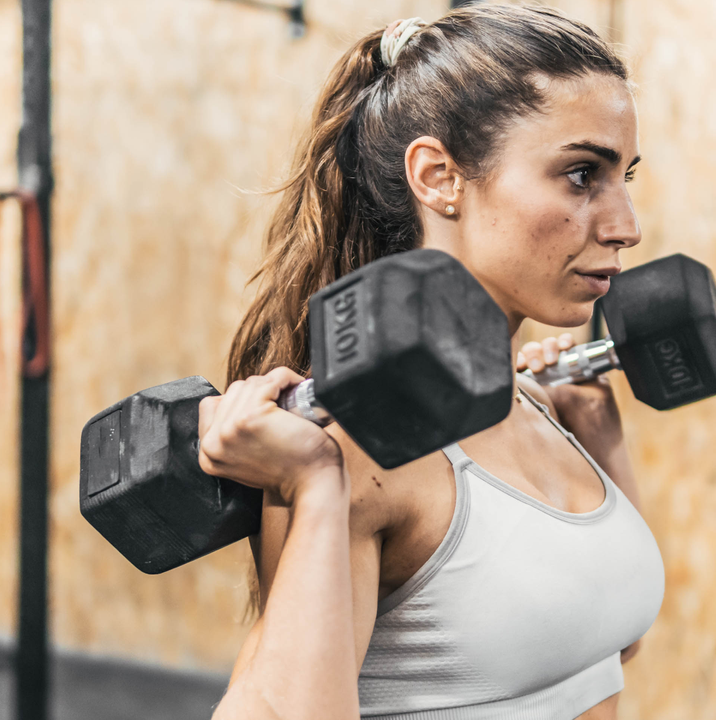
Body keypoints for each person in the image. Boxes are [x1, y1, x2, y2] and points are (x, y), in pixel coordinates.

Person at [199, 6, 665, 718]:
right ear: (439, 176)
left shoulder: (538, 404)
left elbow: (602, 639)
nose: (625, 225)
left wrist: (603, 443)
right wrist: (314, 487)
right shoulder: (355, 445)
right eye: (580, 175)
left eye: (622, 176)